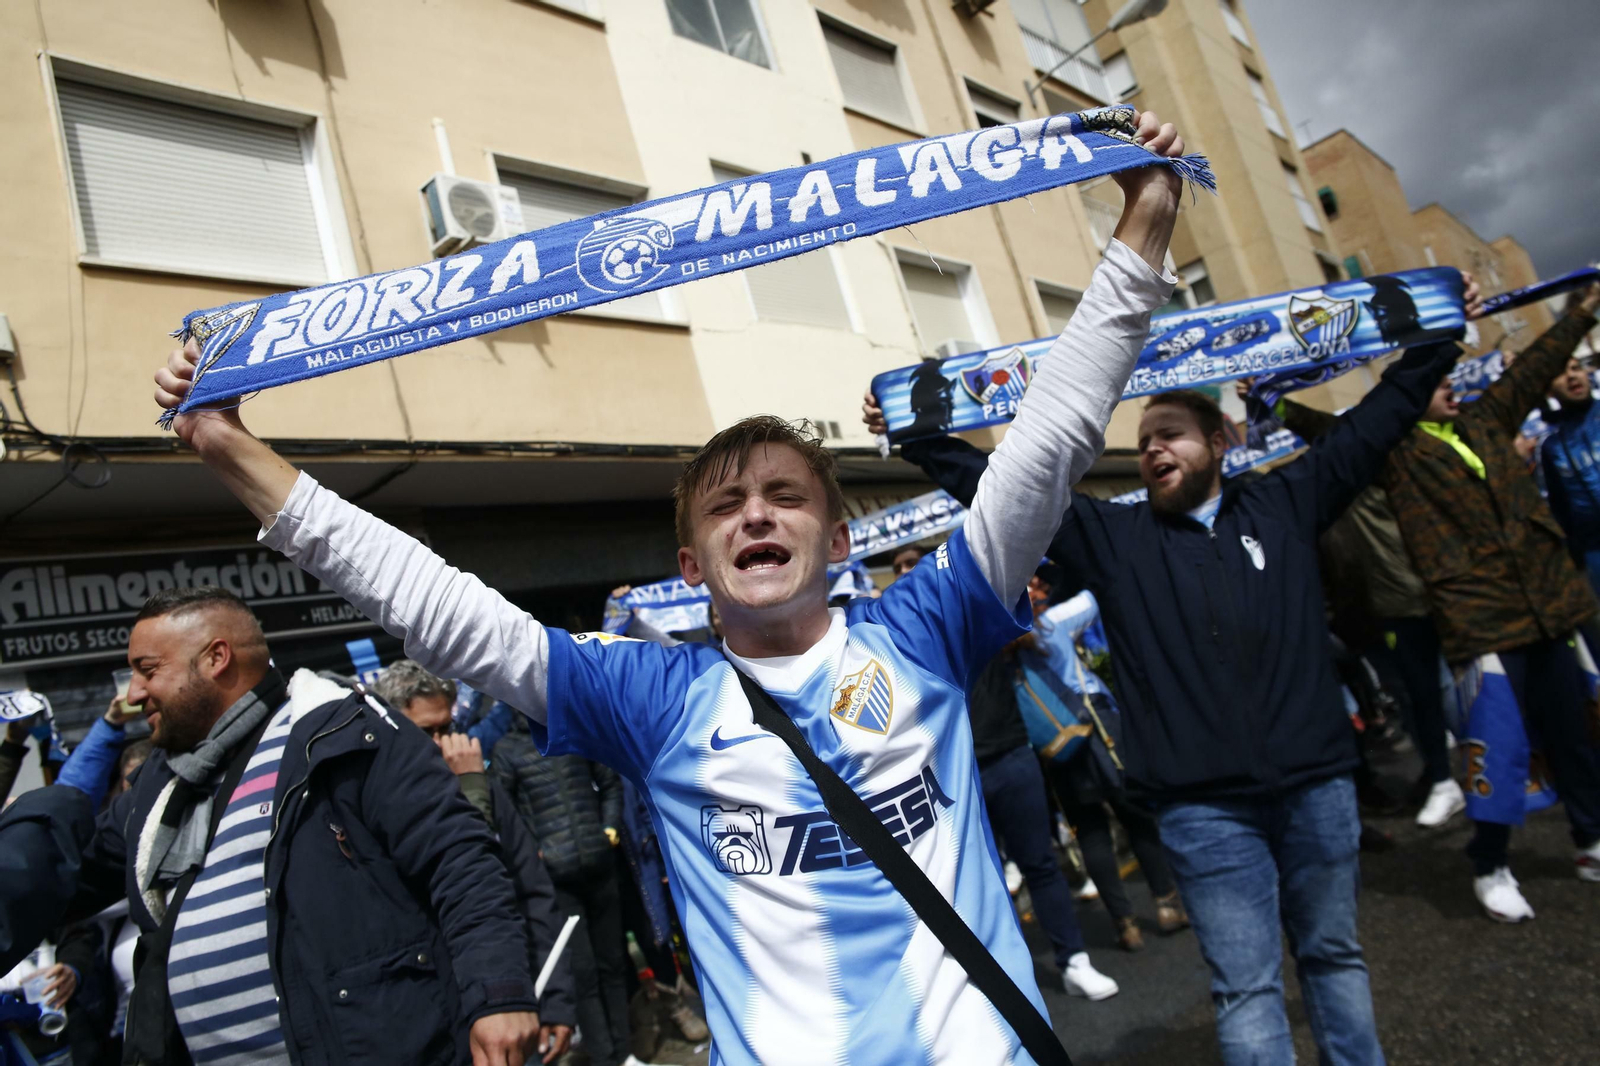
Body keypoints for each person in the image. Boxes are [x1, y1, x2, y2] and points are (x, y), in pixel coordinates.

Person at [152, 110, 1192, 1066]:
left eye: (784, 496)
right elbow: (439, 604)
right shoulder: (655, 699)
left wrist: (1143, 220)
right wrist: (227, 445)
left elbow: (1051, 438)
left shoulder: (926, 626)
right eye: (726, 505)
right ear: (692, 570)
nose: (755, 515)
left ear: (837, 539)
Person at [867, 277, 1483, 1063]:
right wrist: (916, 432)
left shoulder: (1287, 501)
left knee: (1334, 958)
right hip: (1202, 813)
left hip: (1319, 790)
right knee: (1249, 987)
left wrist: (1439, 331)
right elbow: (1005, 490)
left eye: (1172, 434)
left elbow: (1378, 422)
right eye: (1145, 439)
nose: (1153, 447)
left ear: (1221, 442)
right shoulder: (1111, 539)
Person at [10, 586, 542, 1066]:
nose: (134, 694)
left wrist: (499, 997)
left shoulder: (340, 733)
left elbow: (461, 861)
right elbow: (60, 878)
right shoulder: (156, 787)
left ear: (216, 658)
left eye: (148, 669)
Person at [1375, 283, 1600, 920]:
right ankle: (1490, 862)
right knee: (1497, 748)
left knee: (1575, 733)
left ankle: (1589, 839)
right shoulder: (1396, 453)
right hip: (1485, 624)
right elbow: (1328, 432)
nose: (1451, 378)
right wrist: (1275, 407)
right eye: (1437, 373)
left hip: (1551, 607)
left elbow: (1535, 365)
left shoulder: (1484, 419)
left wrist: (1582, 309)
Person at [1267, 388, 1461, 828]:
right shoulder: (1325, 496)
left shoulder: (1380, 466)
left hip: (1418, 596)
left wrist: (1276, 402)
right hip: (1373, 616)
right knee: (1414, 693)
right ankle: (1441, 774)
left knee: (1446, 688)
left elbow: (1328, 431)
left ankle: (1478, 764)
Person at [374, 660, 578, 1064]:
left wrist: (554, 1000)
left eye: (445, 729)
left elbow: (532, 892)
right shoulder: (374, 805)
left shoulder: (478, 784)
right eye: (425, 732)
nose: (441, 744)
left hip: (510, 1006)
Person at [947, 569, 1117, 997]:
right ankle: (1003, 984)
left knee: (1039, 863)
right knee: (978, 881)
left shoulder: (995, 624)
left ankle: (1075, 961)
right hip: (957, 772)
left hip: (1013, 757)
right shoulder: (920, 639)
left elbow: (1030, 618)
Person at [1029, 589, 1186, 950]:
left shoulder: (1000, 647)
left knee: (1090, 832)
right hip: (1096, 729)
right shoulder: (1051, 624)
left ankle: (1124, 924)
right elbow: (1096, 596)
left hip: (1056, 746)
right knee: (1134, 816)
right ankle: (1166, 904)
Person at [489, 716, 649, 1066]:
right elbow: (505, 817)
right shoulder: (506, 751)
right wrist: (535, 853)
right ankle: (606, 1056)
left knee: (613, 965)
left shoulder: (571, 732)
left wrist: (607, 829)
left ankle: (625, 1053)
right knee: (583, 974)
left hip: (599, 866)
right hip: (556, 882)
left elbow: (609, 783)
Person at [1540, 346, 1600, 598]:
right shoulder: (1552, 446)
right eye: (1561, 373)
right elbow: (1560, 509)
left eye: (1576, 368)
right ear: (1548, 388)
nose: (1572, 376)